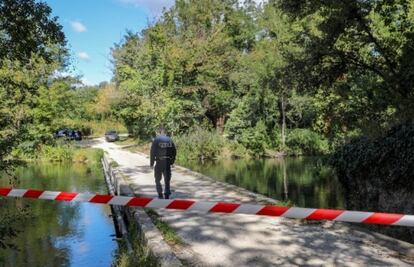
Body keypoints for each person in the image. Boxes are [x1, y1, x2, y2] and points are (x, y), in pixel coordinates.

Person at [150, 127, 176, 199]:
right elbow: (174, 151)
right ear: (165, 132)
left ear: (159, 132)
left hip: (159, 162)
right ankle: (167, 194)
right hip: (167, 162)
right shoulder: (170, 140)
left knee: (157, 179)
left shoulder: (156, 140)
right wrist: (172, 161)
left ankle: (160, 193)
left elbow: (152, 152)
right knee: (167, 179)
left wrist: (152, 163)